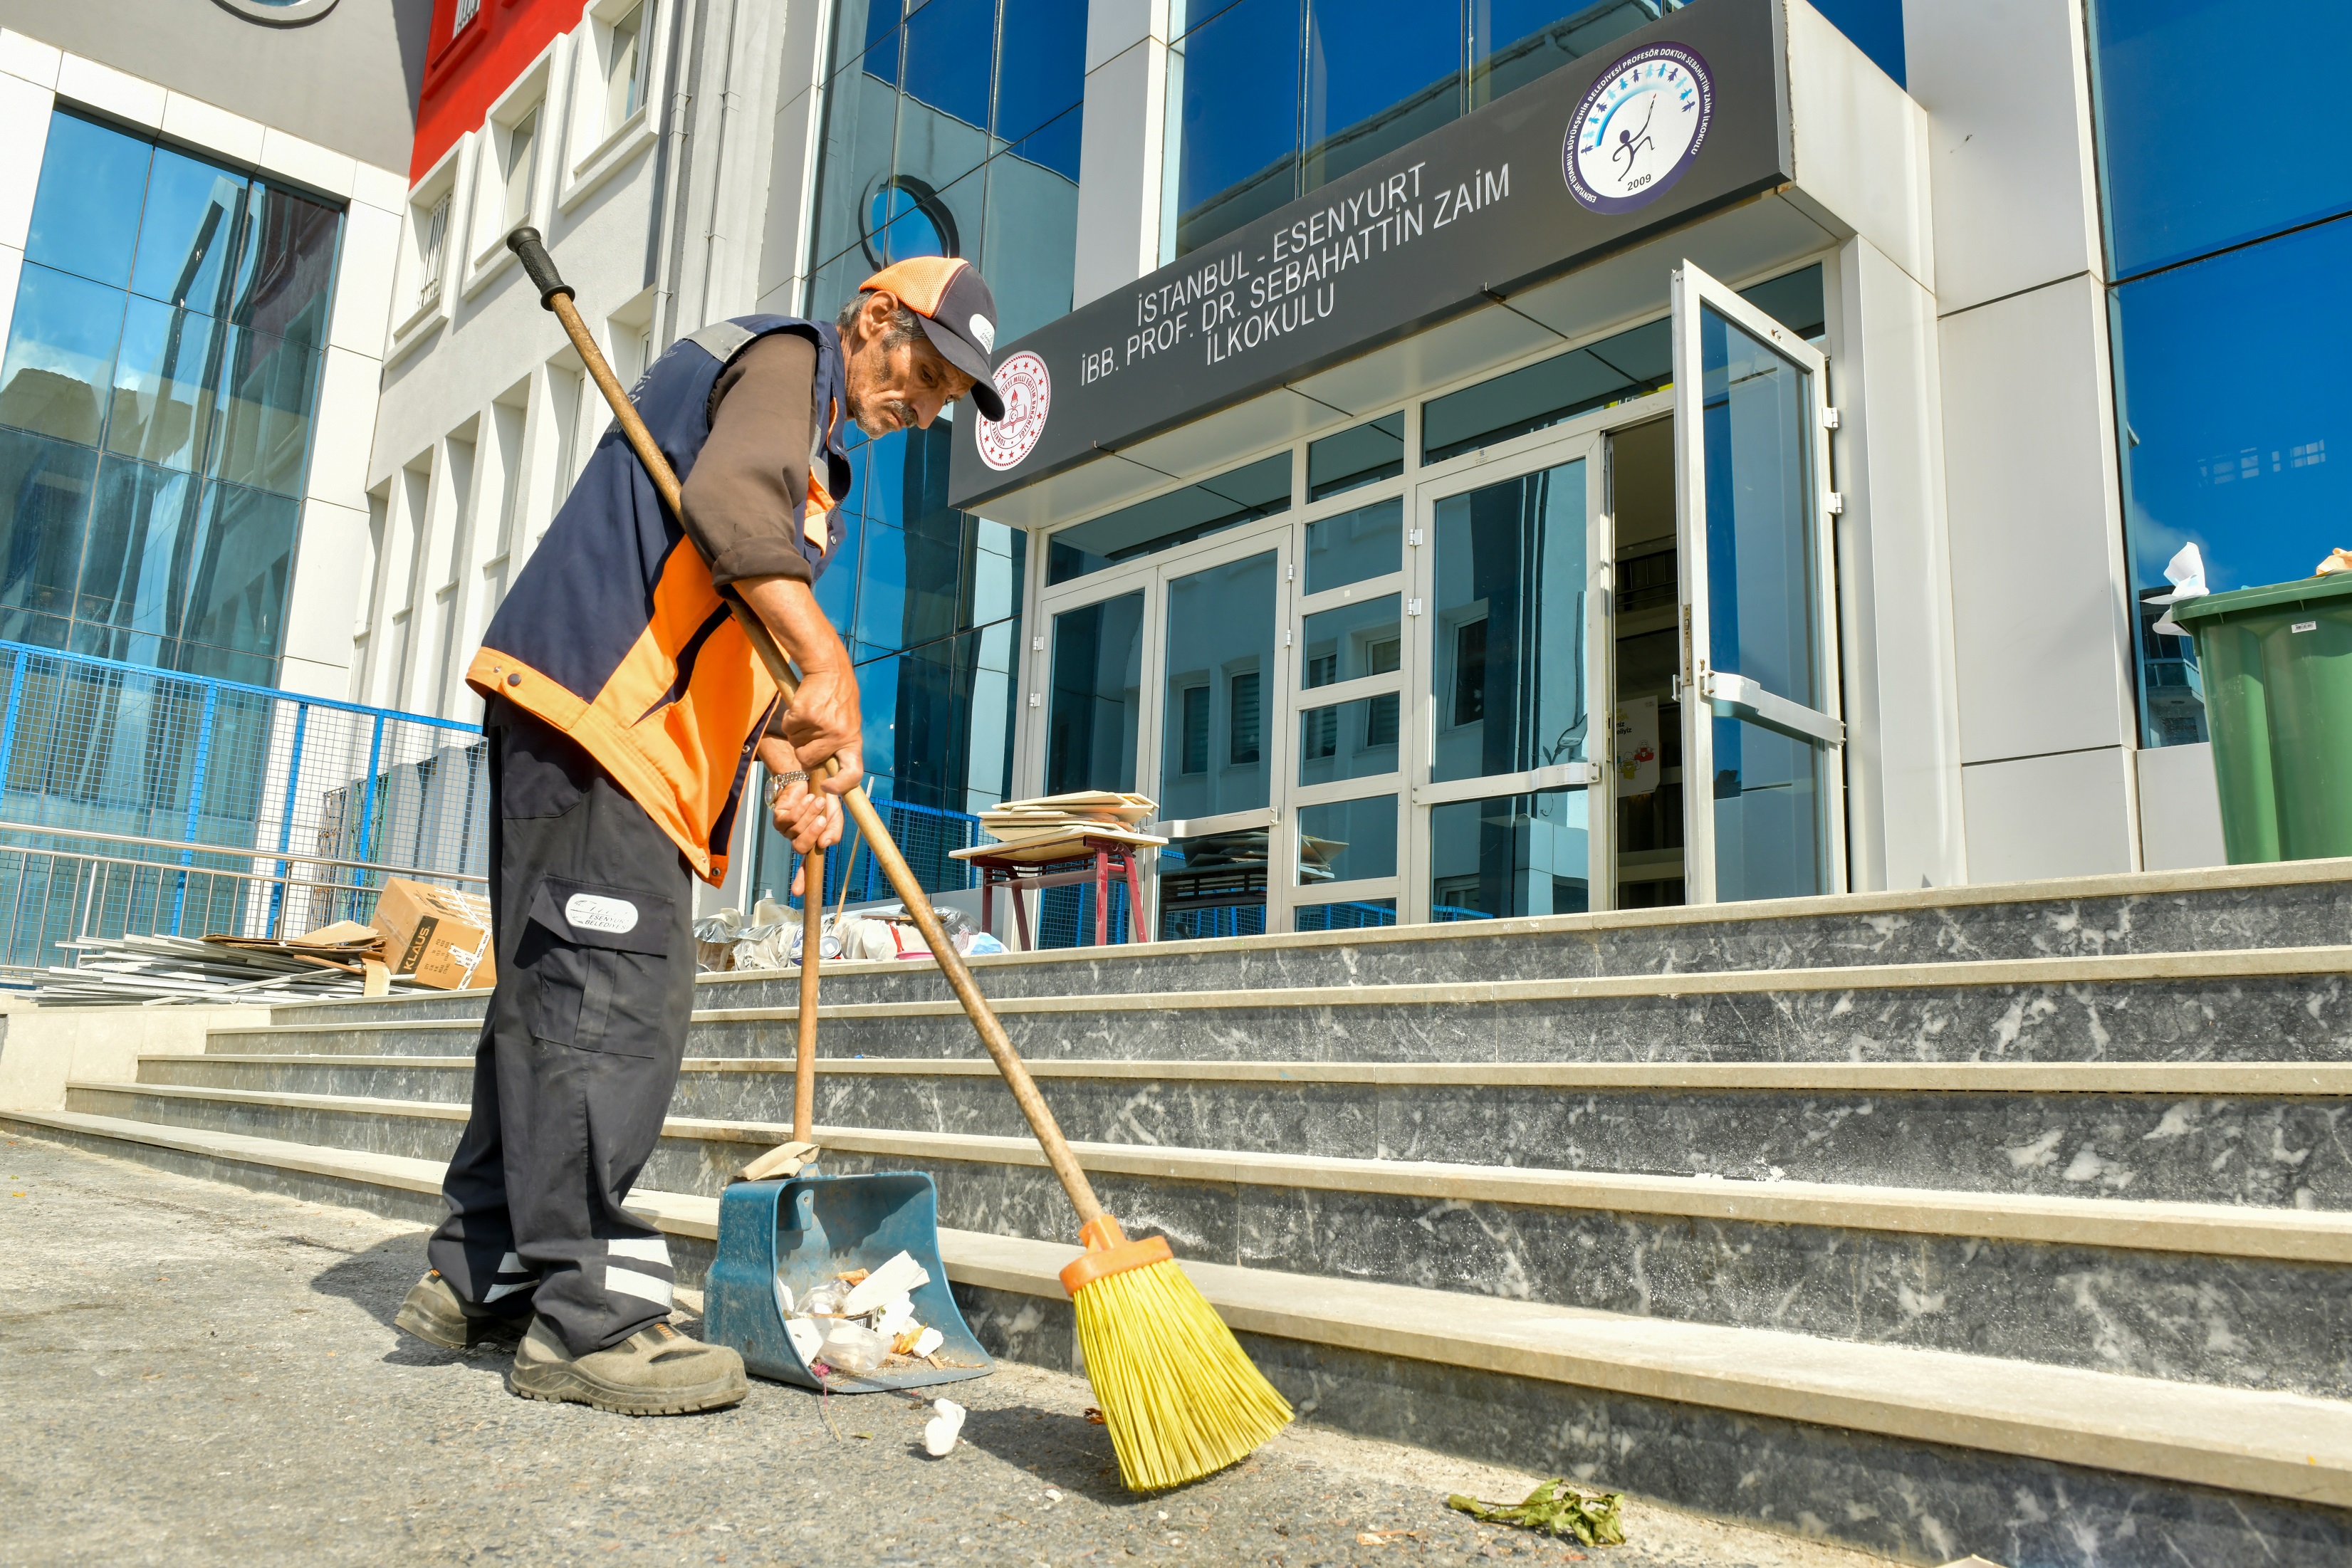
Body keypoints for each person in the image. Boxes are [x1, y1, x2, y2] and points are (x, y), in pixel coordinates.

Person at [391, 256, 1006, 1415]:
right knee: (612, 1001)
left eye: (942, 399)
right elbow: (727, 507)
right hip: (604, 724)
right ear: (875, 317)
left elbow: (724, 623)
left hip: (613, 732)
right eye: (925, 372)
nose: (924, 408)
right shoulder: (783, 361)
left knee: (551, 996)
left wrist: (787, 748)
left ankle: (478, 1270)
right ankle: (592, 1318)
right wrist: (830, 665)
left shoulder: (811, 448)